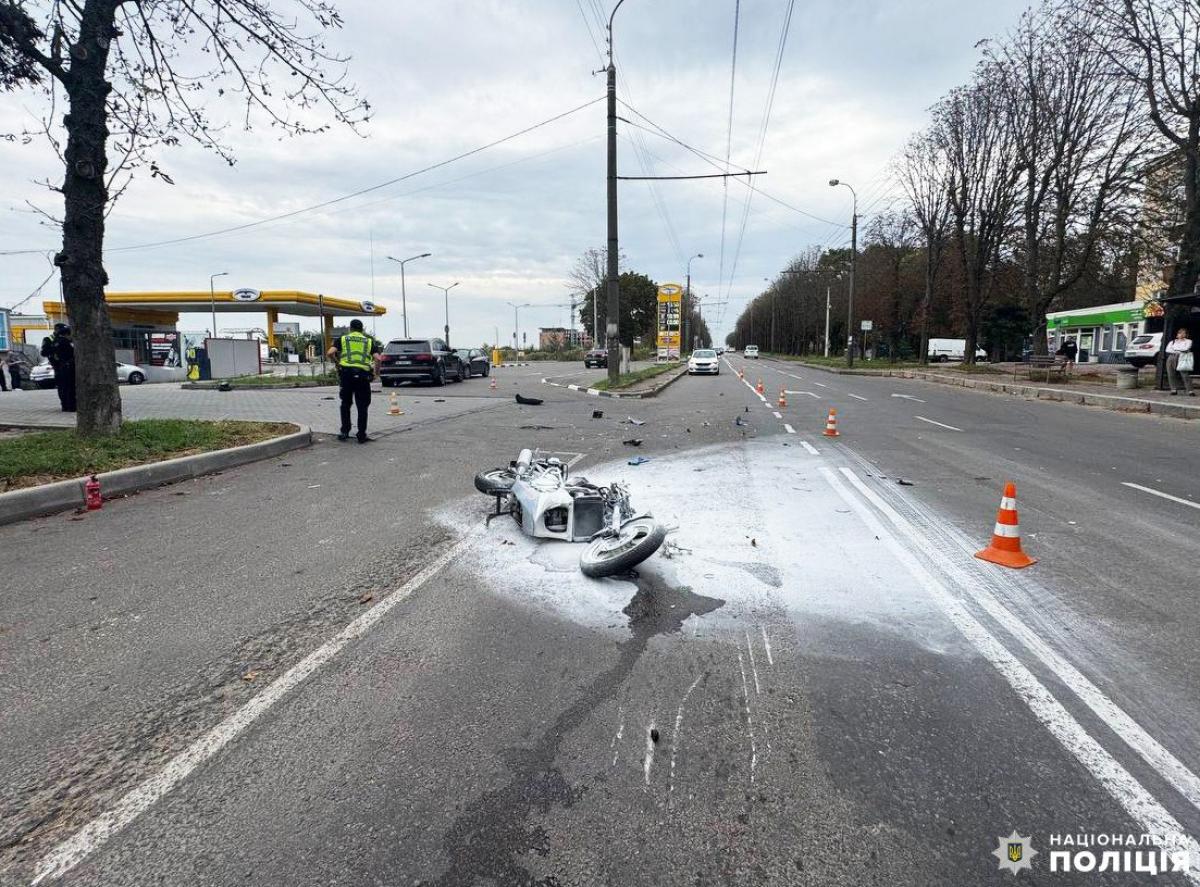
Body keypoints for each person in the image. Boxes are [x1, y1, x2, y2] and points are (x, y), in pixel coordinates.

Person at [326, 319, 381, 443]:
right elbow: (378, 359)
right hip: (362, 376)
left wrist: (338, 363)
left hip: (346, 375)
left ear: (350, 329)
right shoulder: (369, 341)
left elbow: (330, 353)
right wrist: (376, 374)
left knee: (345, 404)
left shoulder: (343, 339)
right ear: (362, 329)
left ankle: (344, 431)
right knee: (362, 406)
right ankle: (361, 435)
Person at [41, 323, 76, 412]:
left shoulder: (59, 340)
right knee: (66, 386)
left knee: (64, 386)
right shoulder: (50, 339)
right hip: (61, 366)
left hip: (61, 365)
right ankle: (68, 405)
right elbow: (44, 352)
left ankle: (66, 405)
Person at [1165, 327, 1194, 397]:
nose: (1181, 334)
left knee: (1184, 374)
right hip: (1171, 357)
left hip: (1182, 357)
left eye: (1183, 333)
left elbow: (1186, 348)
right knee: (1171, 373)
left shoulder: (1188, 341)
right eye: (1180, 333)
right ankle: (1173, 389)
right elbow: (1167, 350)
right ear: (1177, 334)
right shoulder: (1172, 342)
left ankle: (1190, 390)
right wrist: (1179, 350)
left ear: (1186, 334)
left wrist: (1175, 349)